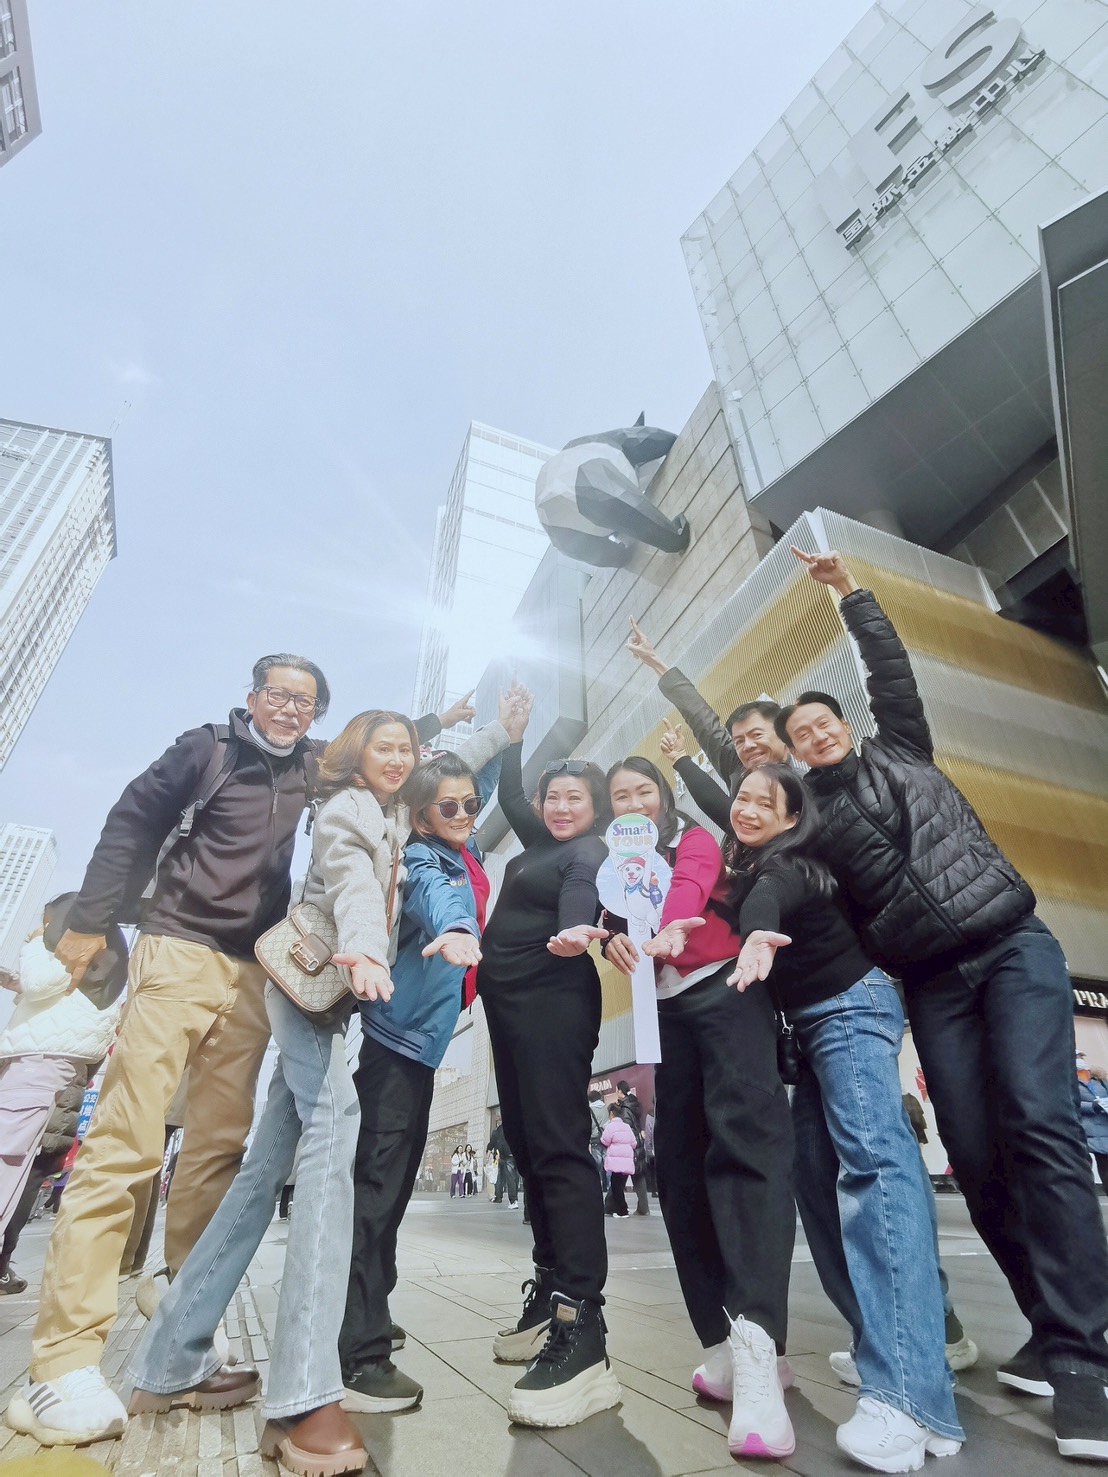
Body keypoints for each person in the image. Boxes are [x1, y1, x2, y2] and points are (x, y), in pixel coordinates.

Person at [10, 654, 475, 1443]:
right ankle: (63, 1362)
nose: (291, 708)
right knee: (127, 1145)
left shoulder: (316, 768)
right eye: (279, 694)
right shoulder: (209, 750)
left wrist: (448, 723)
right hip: (179, 946)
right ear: (252, 696)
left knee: (222, 1152)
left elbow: (381, 754)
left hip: (257, 969)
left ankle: (182, 1345)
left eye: (306, 700)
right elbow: (133, 819)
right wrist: (89, 919)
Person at [779, 546, 1108, 1462]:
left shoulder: (901, 745)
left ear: (845, 726)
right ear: (795, 753)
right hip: (931, 982)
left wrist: (851, 594)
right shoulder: (814, 826)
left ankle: (1086, 1358)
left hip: (1013, 946)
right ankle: (1050, 1319)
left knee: (1040, 1120)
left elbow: (890, 670)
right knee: (970, 1146)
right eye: (801, 732)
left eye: (823, 721)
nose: (816, 734)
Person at [726, 763, 963, 1471]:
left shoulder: (791, 865)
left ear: (791, 818)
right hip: (811, 1031)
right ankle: (895, 1355)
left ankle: (909, 1398)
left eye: (765, 801)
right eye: (741, 797)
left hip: (848, 1012)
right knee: (816, 1186)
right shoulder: (760, 860)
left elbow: (768, 896)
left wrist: (756, 934)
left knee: (874, 1176)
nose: (746, 808)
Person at [604, 755, 796, 1460]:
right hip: (665, 1018)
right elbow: (611, 920)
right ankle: (720, 1340)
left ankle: (759, 1349)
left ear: (664, 797)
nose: (633, 803)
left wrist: (673, 924)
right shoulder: (614, 868)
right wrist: (613, 932)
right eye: (620, 796)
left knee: (747, 1153)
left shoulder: (693, 840)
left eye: (644, 791)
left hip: (725, 990)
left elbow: (689, 883)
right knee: (679, 1168)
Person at [338, 725, 511, 1416]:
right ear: (419, 815)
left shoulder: (456, 841)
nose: (466, 814)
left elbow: (470, 783)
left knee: (390, 1191)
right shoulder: (422, 859)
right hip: (397, 1044)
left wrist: (506, 736)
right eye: (450, 807)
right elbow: (439, 899)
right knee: (375, 1194)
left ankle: (371, 1314)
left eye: (471, 804)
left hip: (416, 1046)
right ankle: (357, 1355)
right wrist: (460, 929)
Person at [476, 697, 619, 1428]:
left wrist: (573, 929)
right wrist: (514, 738)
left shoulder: (585, 852)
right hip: (508, 1008)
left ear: (594, 809)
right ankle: (549, 1287)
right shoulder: (535, 840)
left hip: (553, 1000)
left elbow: (581, 891)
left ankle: (583, 1321)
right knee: (529, 1147)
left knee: (559, 1146)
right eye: (554, 797)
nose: (562, 808)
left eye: (576, 799)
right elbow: (508, 796)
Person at [0, 902, 121, 1259]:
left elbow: (39, 984)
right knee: (17, 1164)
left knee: (12, 1160)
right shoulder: (106, 951)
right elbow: (50, 987)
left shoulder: (74, 943)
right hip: (61, 1066)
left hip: (42, 1062)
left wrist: (38, 944)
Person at [626, 615, 790, 820]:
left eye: (757, 734)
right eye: (739, 741)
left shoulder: (810, 785)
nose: (748, 746)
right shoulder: (737, 765)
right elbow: (702, 720)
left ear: (784, 735)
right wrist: (654, 661)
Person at [613, 1080, 650, 1216]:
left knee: (618, 1177)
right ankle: (643, 1208)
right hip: (638, 1144)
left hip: (629, 1146)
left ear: (620, 1091)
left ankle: (611, 1206)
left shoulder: (625, 1109)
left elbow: (626, 1128)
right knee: (638, 1175)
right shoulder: (634, 1104)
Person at [1077, 1055, 1108, 1192]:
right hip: (1086, 1129)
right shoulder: (1069, 1082)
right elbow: (1070, 1102)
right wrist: (1092, 1106)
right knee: (1085, 1165)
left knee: (1105, 1165)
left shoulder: (1100, 1081)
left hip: (1104, 1127)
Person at [600, 1106, 636, 1218]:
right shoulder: (627, 1126)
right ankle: (618, 1208)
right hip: (626, 1161)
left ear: (611, 1113)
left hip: (616, 1162)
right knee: (620, 1186)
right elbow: (634, 1143)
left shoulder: (610, 1126)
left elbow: (605, 1141)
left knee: (616, 1187)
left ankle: (622, 1211)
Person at [488, 1118, 519, 1207]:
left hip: (502, 1156)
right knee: (512, 1178)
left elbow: (493, 1143)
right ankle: (513, 1200)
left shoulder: (497, 1132)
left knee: (500, 1178)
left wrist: (492, 1153)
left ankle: (500, 1198)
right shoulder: (513, 1129)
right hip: (511, 1156)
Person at [587, 1091, 608, 1185]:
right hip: (605, 1137)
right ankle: (607, 1185)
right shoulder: (606, 1107)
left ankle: (597, 1184)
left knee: (597, 1163)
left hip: (595, 1138)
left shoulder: (590, 1110)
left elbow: (590, 1125)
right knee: (606, 1163)